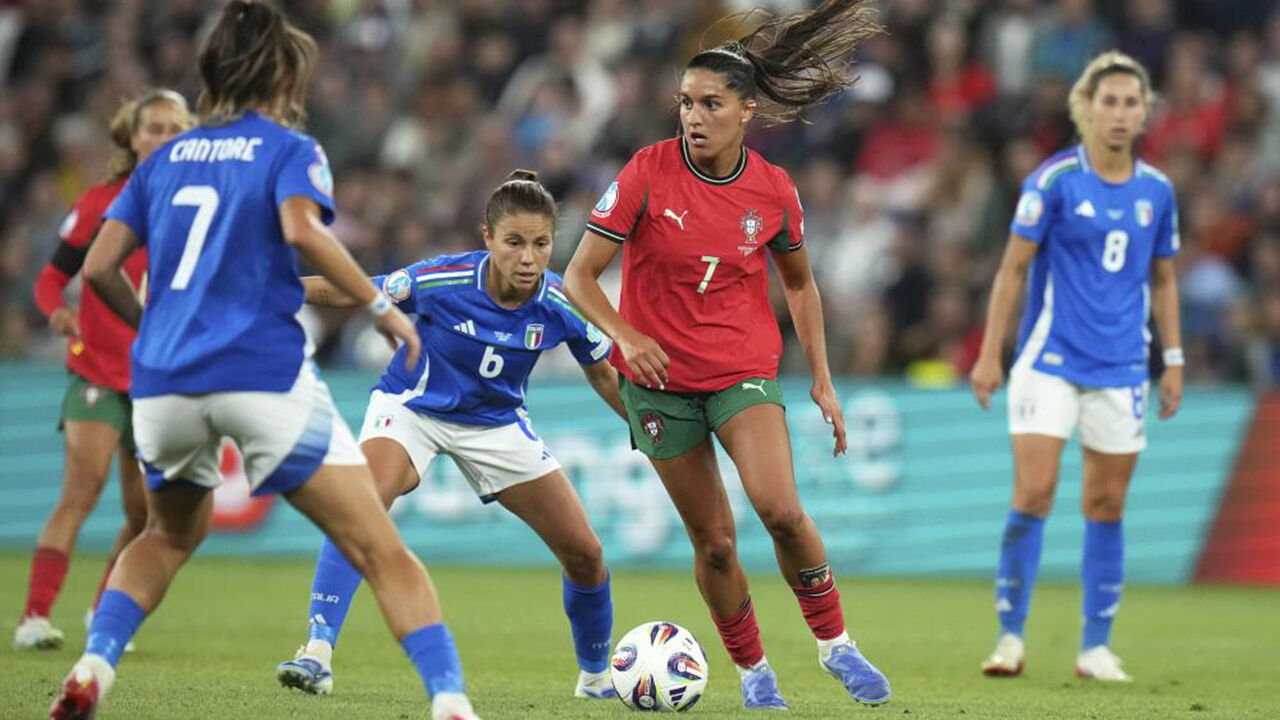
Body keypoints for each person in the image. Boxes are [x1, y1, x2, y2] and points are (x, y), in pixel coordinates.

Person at [50, 3, 480, 719]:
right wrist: (378, 306)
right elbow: (299, 229)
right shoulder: (289, 148)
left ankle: (96, 661)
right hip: (260, 371)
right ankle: (451, 702)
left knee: (165, 535)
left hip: (160, 381)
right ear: (283, 74)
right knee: (378, 547)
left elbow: (96, 268)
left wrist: (152, 327)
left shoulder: (163, 159)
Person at [563, 0, 891, 709]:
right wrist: (626, 334)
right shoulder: (647, 173)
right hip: (658, 383)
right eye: (685, 102)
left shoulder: (772, 190)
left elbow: (801, 286)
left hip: (741, 370)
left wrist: (824, 382)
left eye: (710, 103)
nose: (693, 116)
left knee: (779, 509)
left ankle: (837, 645)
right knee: (713, 542)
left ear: (747, 111)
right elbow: (579, 277)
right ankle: (753, 673)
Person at [276, 169, 623, 700]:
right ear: (486, 236)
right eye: (514, 243)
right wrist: (273, 292)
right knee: (361, 507)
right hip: (413, 408)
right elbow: (352, 290)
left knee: (585, 554)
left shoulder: (560, 301)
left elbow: (602, 372)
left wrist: (647, 429)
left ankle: (596, 678)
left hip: (497, 423)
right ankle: (317, 652)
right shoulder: (440, 280)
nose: (529, 258)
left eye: (541, 244)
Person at [969, 50, 1183, 682]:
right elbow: (1011, 269)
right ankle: (1009, 638)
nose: (1119, 114)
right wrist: (989, 353)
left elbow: (1165, 280)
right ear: (1086, 109)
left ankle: (1095, 647)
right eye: (1108, 101)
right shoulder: (1054, 181)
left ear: (1145, 113)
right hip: (1049, 361)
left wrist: (1171, 359)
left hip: (1122, 367)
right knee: (1034, 492)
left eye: (1131, 103)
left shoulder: (1158, 192)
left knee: (1107, 504)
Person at [17, 89, 192, 652]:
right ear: (131, 137)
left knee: (145, 512)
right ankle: (35, 617)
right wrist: (58, 312)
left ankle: (102, 609)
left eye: (173, 129)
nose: (162, 138)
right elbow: (50, 279)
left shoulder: (196, 205)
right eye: (153, 128)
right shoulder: (101, 202)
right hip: (96, 370)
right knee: (81, 492)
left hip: (157, 378)